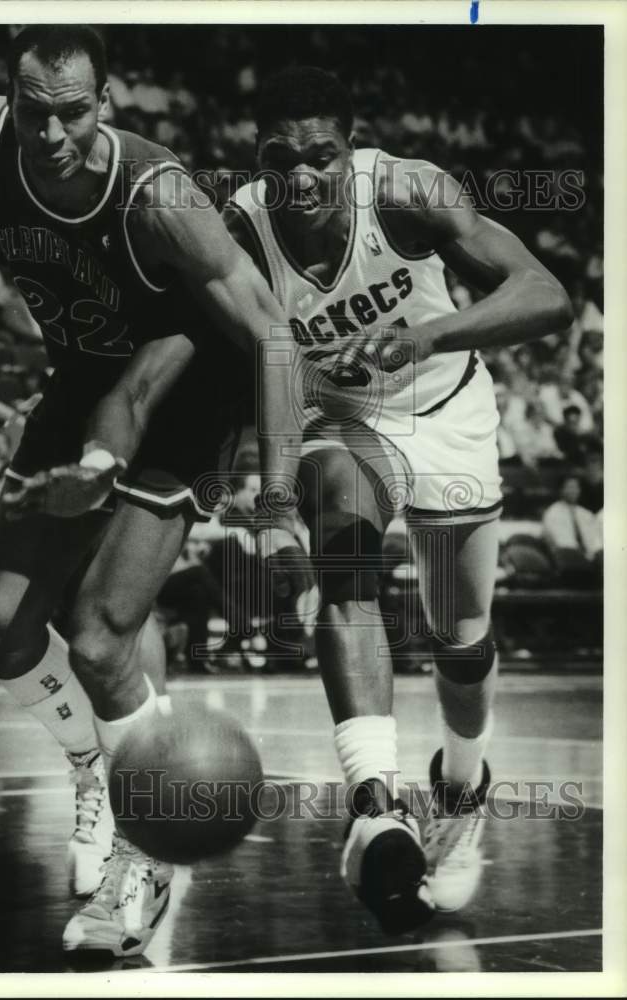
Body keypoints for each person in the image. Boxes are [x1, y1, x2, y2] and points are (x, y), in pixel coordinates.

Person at [0, 25, 301, 957]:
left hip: (188, 386)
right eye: (35, 112)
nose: (53, 132)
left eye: (74, 112)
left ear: (105, 103)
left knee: (103, 634)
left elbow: (267, 335)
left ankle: (145, 853)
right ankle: (95, 771)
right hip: (82, 376)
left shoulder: (161, 199)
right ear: (6, 99)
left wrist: (276, 499)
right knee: (2, 626)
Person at [223, 66, 572, 933]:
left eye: (321, 157)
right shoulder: (239, 227)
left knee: (461, 643)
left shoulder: (408, 189)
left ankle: (462, 782)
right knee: (342, 541)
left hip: (445, 407)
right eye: (279, 159)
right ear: (255, 159)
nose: (301, 177)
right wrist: (266, 492)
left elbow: (544, 294)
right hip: (343, 421)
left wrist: (420, 338)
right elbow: (258, 358)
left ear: (351, 148)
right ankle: (374, 803)